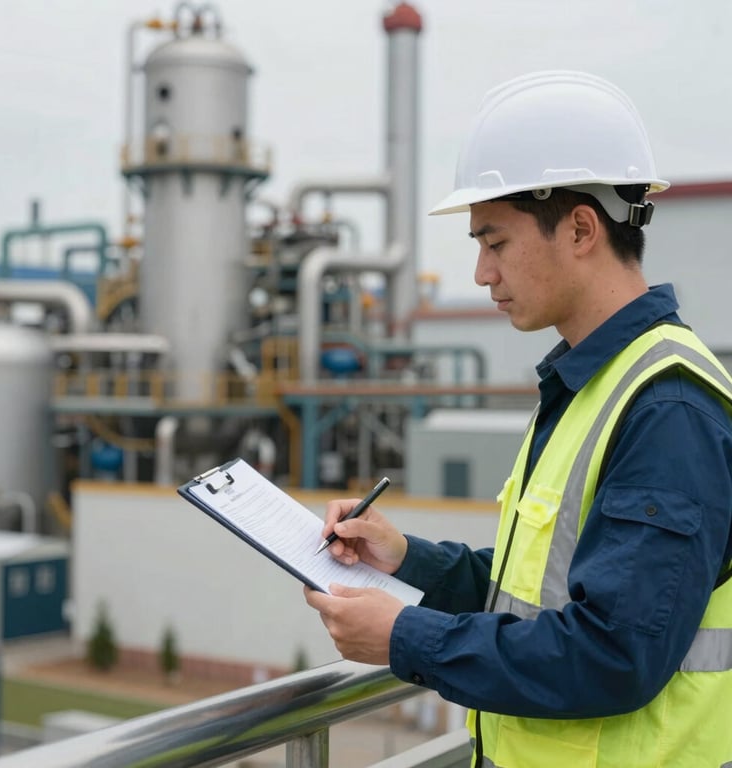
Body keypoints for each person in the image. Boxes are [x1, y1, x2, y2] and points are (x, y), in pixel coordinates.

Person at [304, 70, 732, 768]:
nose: (480, 272)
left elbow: (613, 653)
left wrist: (405, 638)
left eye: (495, 243)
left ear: (581, 229)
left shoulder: (667, 411)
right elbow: (537, 601)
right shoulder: (591, 385)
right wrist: (409, 559)